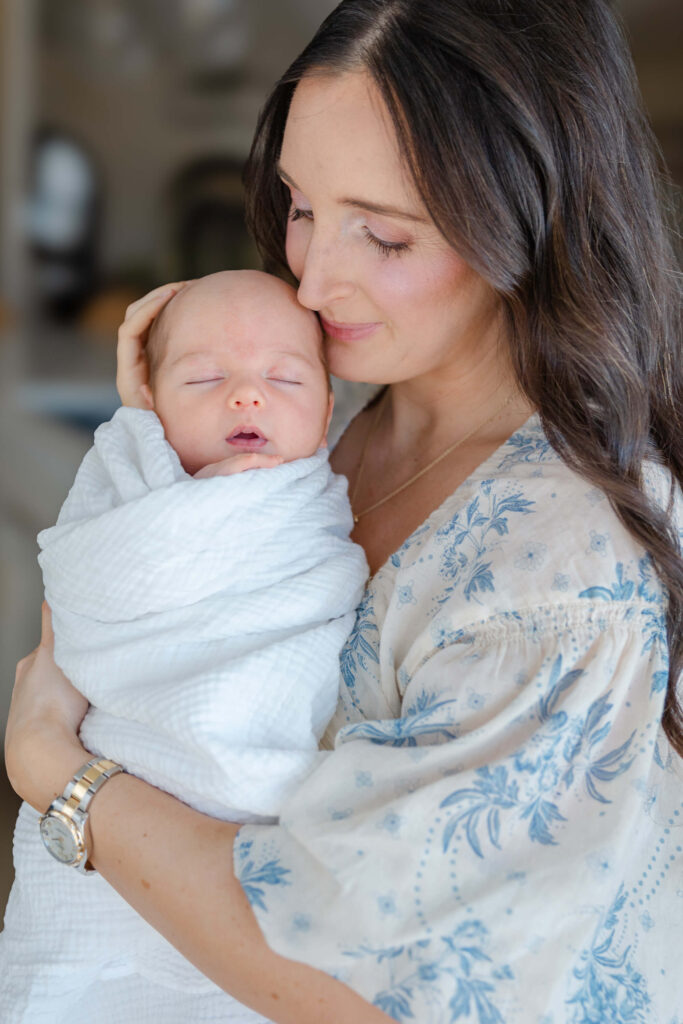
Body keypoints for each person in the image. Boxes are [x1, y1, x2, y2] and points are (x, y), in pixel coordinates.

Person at [6, 0, 682, 1021]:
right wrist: (169, 414)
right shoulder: (331, 409)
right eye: (302, 204)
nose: (314, 279)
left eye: (384, 233)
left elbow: (365, 986)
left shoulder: (564, 571)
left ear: (528, 216)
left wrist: (59, 775)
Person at [0, 270, 367, 1023]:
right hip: (130, 765)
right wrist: (150, 441)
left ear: (328, 412)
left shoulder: (317, 506)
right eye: (203, 378)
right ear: (152, 408)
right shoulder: (130, 487)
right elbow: (86, 579)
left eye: (283, 377)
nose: (245, 395)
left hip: (243, 834)